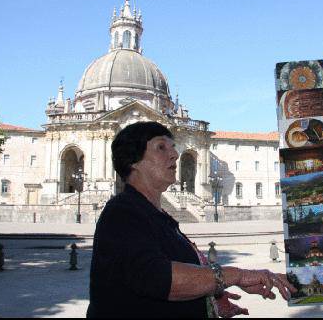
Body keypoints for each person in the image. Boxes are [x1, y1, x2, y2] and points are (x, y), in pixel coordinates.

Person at [87, 121, 296, 318]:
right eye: (161, 148)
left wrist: (211, 298)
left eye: (173, 147)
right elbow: (162, 280)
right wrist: (237, 275)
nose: (175, 155)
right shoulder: (122, 213)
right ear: (134, 161)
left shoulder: (157, 216)